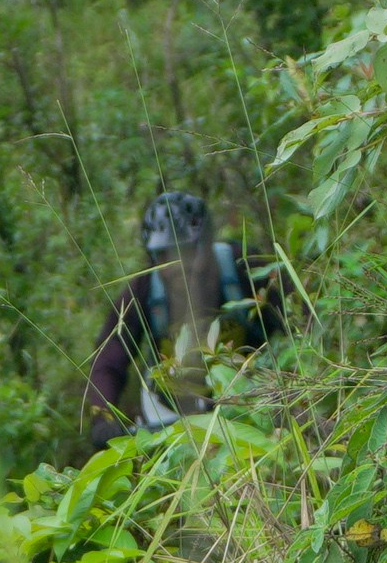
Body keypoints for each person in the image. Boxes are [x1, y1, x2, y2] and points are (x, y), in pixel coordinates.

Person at [83, 189, 291, 447]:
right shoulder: (143, 291)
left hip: (249, 403)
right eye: (163, 255)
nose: (176, 266)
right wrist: (102, 418)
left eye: (185, 251)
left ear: (207, 244)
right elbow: (108, 361)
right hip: (168, 418)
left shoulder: (247, 268)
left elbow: (298, 323)